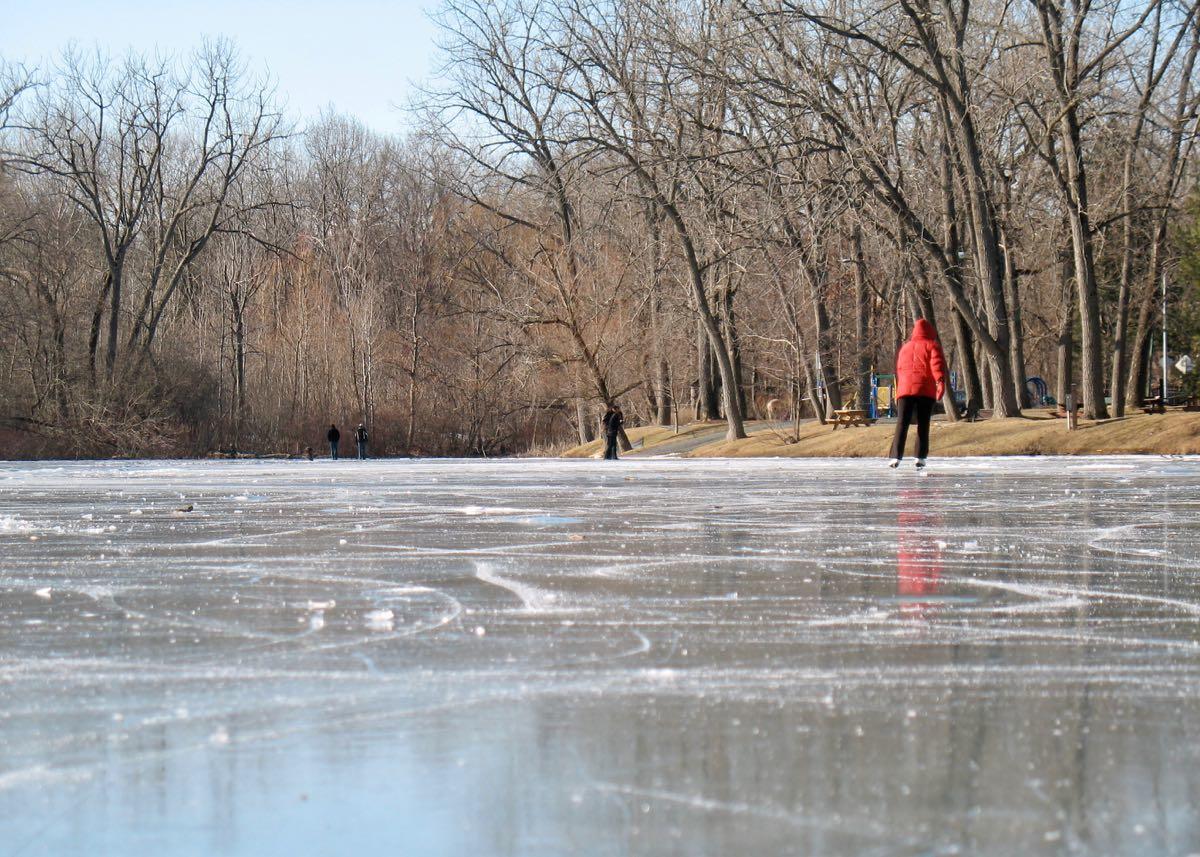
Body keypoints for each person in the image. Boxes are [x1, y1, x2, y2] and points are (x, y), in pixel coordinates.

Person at [889, 319, 947, 469]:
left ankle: (895, 456)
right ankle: (920, 457)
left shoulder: (905, 348)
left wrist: (899, 389)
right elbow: (937, 365)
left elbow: (900, 369)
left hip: (905, 390)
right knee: (923, 423)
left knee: (902, 422)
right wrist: (940, 381)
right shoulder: (932, 346)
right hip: (925, 390)